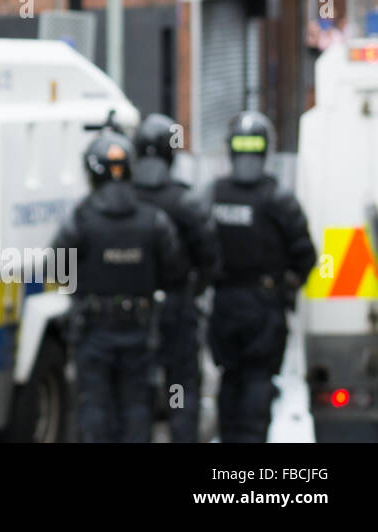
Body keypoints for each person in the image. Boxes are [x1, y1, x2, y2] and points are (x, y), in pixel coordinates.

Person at [52, 129, 186, 443]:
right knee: (137, 409)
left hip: (94, 331)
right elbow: (176, 271)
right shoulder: (154, 220)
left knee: (95, 409)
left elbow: (55, 267)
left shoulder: (81, 220)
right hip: (139, 331)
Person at [208, 111, 317, 443]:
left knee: (231, 378)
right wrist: (288, 286)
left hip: (225, 303)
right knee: (257, 379)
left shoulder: (213, 195)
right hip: (263, 305)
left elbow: (195, 248)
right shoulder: (279, 199)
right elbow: (307, 256)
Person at [132, 113, 219, 443]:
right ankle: (180, 433)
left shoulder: (125, 201)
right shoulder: (186, 202)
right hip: (177, 311)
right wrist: (191, 290)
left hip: (135, 315)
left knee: (137, 387)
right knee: (180, 386)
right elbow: (211, 258)